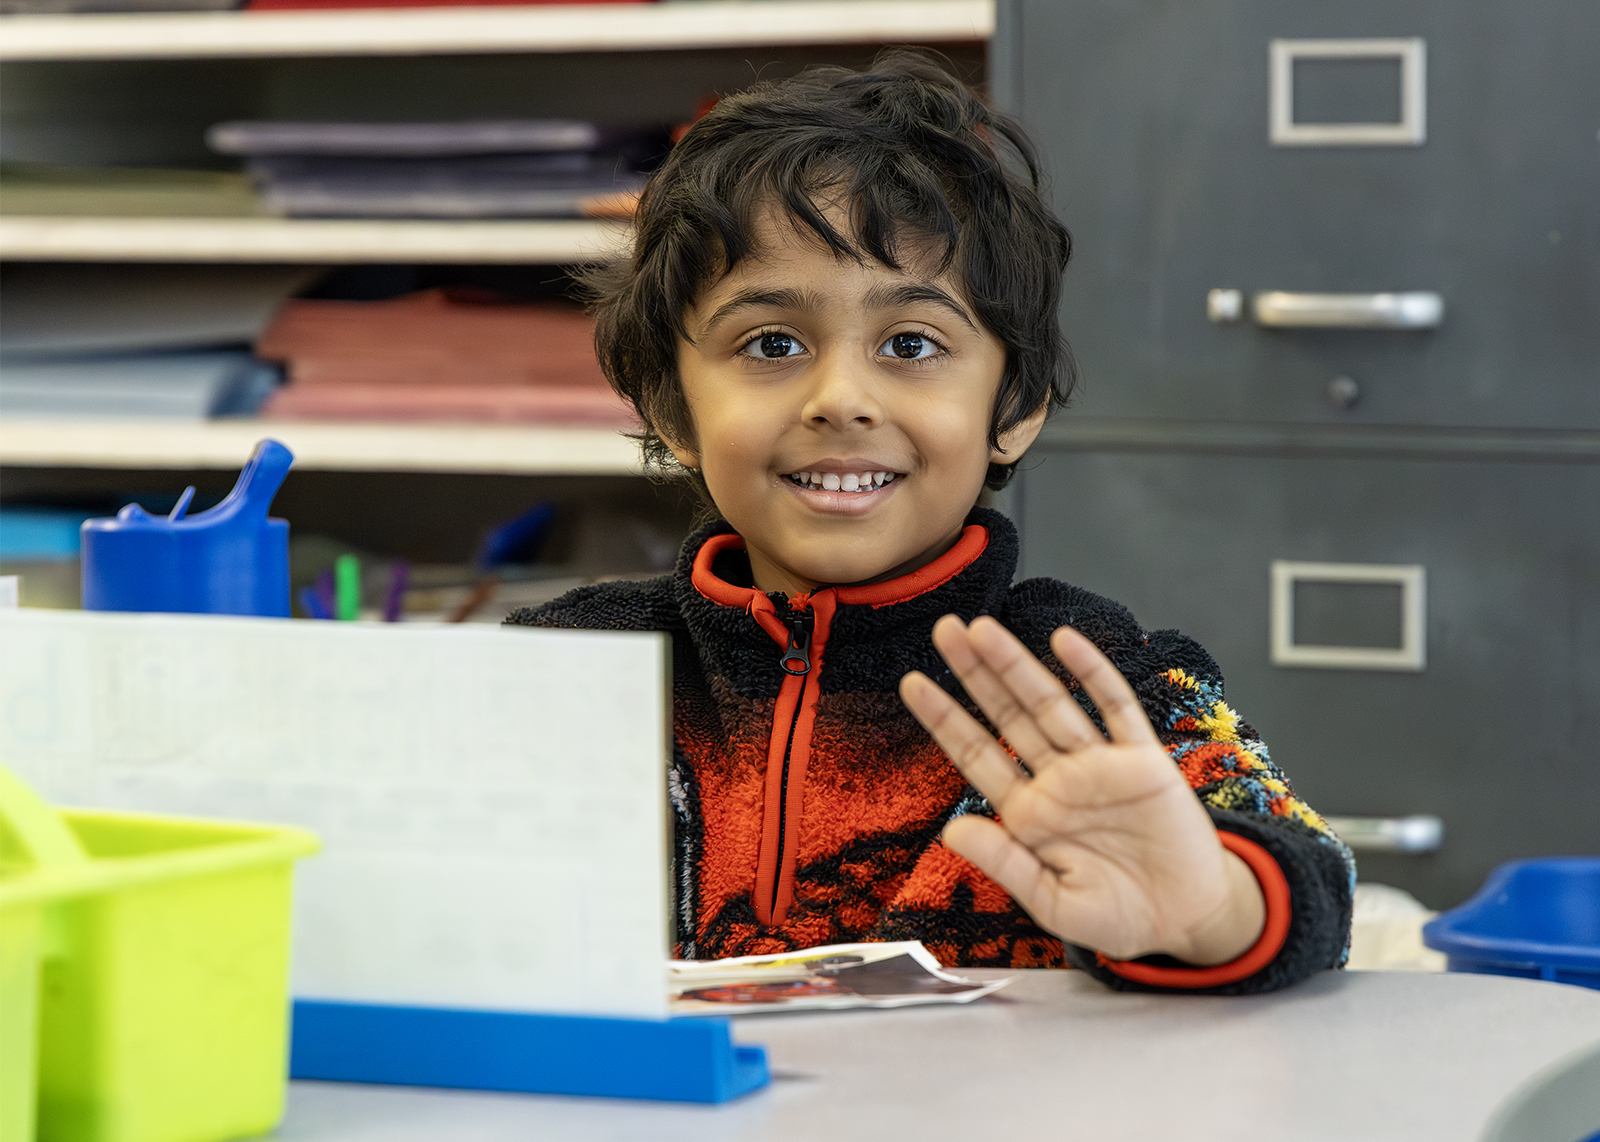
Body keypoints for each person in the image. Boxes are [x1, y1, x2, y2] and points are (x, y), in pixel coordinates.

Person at [508, 53, 1354, 993]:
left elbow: (1317, 886)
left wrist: (1208, 908)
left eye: (911, 344)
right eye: (771, 343)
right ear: (672, 407)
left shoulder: (1096, 681)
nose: (841, 398)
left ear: (1014, 407)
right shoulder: (559, 673)